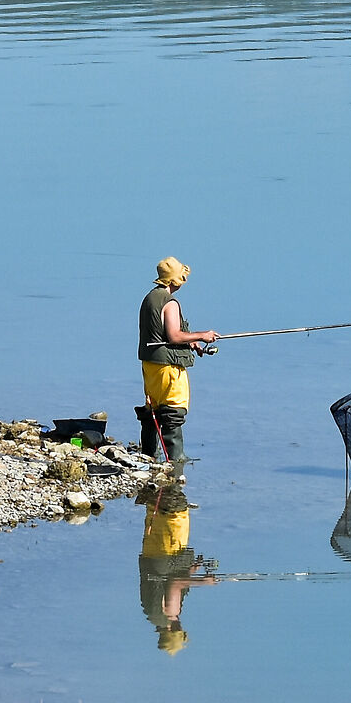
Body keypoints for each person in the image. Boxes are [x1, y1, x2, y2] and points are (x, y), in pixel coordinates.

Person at [136, 256, 219, 467]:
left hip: (150, 364)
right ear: (175, 280)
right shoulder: (170, 302)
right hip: (168, 366)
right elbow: (173, 336)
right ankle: (176, 459)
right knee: (174, 409)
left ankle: (149, 455)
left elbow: (159, 334)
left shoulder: (150, 298)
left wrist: (190, 343)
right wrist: (203, 335)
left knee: (153, 408)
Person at [135, 480, 218, 654]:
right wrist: (192, 570)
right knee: (166, 503)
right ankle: (163, 486)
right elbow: (172, 583)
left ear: (174, 631)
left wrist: (204, 581)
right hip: (153, 552)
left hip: (166, 555)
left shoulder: (167, 616)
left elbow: (174, 584)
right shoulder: (152, 615)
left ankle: (170, 479)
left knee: (174, 504)